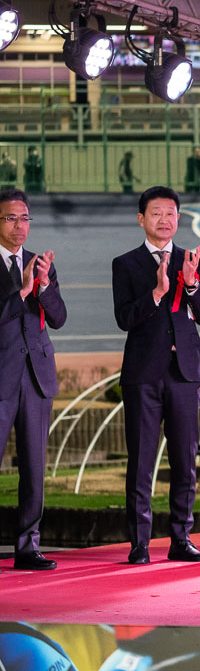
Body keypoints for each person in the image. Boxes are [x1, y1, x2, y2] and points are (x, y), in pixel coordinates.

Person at [112, 186, 200, 564]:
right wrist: (156, 292)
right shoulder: (125, 263)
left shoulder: (192, 260)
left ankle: (181, 538)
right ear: (142, 219)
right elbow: (124, 318)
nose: (164, 220)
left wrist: (192, 284)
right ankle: (139, 543)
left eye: (171, 213)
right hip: (143, 374)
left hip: (184, 374)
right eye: (156, 213)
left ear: (179, 218)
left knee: (185, 460)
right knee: (141, 460)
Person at [0, 189, 67, 572]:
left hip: (36, 378)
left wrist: (42, 286)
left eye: (24, 218)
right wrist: (22, 291)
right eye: (10, 218)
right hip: (1, 376)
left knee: (34, 467)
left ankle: (28, 546)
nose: (19, 226)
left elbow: (58, 318)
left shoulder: (41, 263)